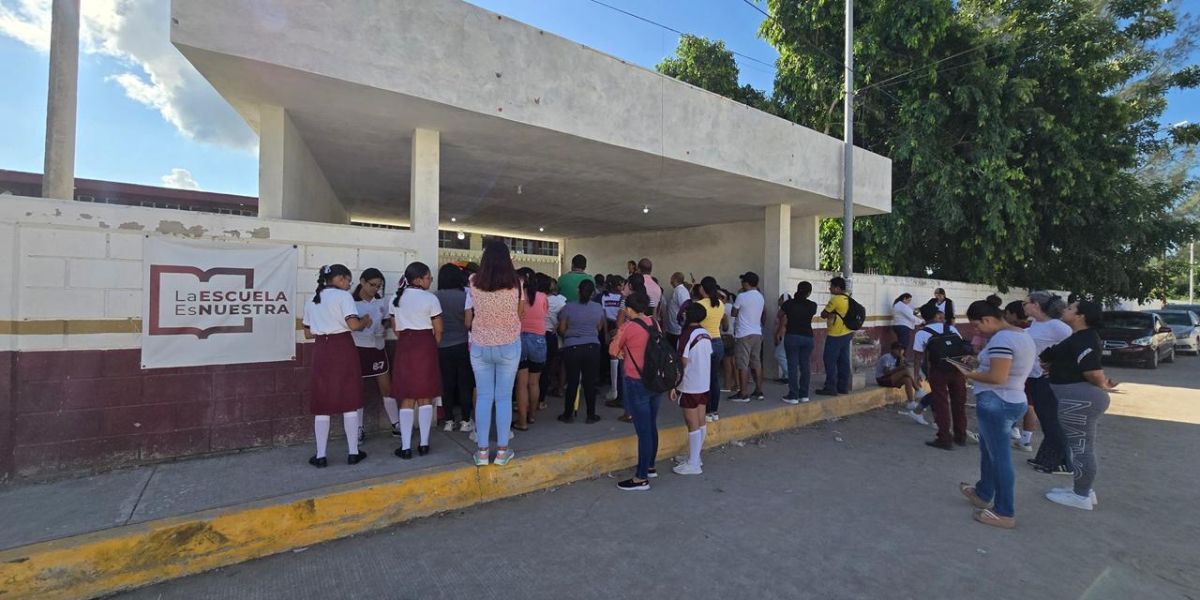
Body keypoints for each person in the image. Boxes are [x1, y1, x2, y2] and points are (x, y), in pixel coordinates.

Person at [950, 300, 1036, 529]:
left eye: (977, 326)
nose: (976, 331)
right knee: (989, 452)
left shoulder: (1002, 339)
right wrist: (979, 363)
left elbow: (998, 377)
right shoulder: (1019, 334)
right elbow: (1005, 367)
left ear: (988, 320)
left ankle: (1004, 512)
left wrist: (969, 373)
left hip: (998, 401)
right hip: (1011, 398)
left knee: (999, 458)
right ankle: (983, 492)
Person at [1041, 300, 1115, 510]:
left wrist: (1102, 384)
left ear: (1081, 316)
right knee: (1080, 447)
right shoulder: (1079, 337)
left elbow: (1092, 371)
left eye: (1071, 308)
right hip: (1076, 397)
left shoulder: (1086, 338)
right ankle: (1082, 489)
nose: (1065, 310)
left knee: (1081, 448)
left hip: (1079, 400)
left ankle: (1081, 495)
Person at [303, 264, 373, 467]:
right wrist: (364, 321)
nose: (349, 284)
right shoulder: (344, 297)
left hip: (321, 350)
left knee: (322, 402)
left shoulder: (311, 299)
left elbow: (307, 333)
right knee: (349, 398)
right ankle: (353, 452)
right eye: (348, 280)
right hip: (342, 347)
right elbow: (352, 325)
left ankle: (321, 455)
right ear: (340, 279)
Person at [468, 239, 524, 466]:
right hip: (509, 344)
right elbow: (520, 314)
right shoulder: (517, 283)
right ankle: (502, 452)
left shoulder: (472, 281)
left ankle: (482, 453)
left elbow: (472, 310)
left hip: (480, 345)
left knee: (483, 397)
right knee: (503, 398)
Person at [390, 262, 443, 459]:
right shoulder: (430, 299)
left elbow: (396, 330)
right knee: (425, 395)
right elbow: (439, 329)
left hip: (405, 346)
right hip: (425, 346)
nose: (431, 280)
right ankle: (424, 443)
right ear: (419, 279)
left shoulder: (396, 299)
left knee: (407, 396)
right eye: (429, 277)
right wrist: (431, 346)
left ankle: (405, 447)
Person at [609, 291, 661, 491]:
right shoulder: (654, 323)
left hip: (636, 381)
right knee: (651, 425)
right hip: (655, 381)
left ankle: (641, 478)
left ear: (629, 309)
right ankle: (650, 466)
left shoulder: (628, 327)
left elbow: (613, 350)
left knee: (643, 430)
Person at [1022, 292, 1073, 473]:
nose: (1024, 305)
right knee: (1046, 419)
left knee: (1051, 420)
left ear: (1036, 305)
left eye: (1026, 302)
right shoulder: (1037, 323)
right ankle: (1045, 458)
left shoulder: (1057, 326)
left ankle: (1064, 462)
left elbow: (1072, 349)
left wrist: (1054, 366)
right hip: (1033, 377)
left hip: (1047, 380)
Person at [914, 305, 968, 449]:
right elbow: (961, 346)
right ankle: (960, 436)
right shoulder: (951, 328)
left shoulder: (922, 333)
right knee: (959, 403)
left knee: (941, 404)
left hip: (938, 370)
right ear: (937, 315)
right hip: (957, 369)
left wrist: (916, 374)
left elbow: (918, 356)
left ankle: (944, 438)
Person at [351, 268, 396, 440]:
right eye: (372, 285)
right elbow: (351, 325)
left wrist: (383, 329)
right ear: (362, 282)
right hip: (357, 347)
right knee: (357, 390)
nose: (375, 289)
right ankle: (358, 429)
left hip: (377, 347)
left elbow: (385, 319)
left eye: (378, 286)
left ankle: (396, 425)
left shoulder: (381, 301)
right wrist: (363, 323)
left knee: (386, 387)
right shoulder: (351, 302)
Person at [557, 279, 607, 423]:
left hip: (572, 347)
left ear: (578, 291)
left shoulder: (568, 307)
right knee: (589, 382)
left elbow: (561, 329)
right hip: (592, 347)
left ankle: (568, 414)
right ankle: (591, 415)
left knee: (572, 381)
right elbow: (598, 327)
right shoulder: (598, 308)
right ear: (592, 293)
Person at [672, 302, 712, 475]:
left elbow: (683, 361)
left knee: (692, 422)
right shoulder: (705, 333)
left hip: (689, 384)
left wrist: (674, 384)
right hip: (703, 382)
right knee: (701, 419)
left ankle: (694, 463)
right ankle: (696, 456)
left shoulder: (686, 335)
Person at [435, 263, 474, 433]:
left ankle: (449, 421)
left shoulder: (434, 297)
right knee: (464, 384)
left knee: (447, 384)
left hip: (442, 346)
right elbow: (468, 323)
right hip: (462, 345)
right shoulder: (465, 295)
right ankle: (466, 421)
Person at [515, 267, 548, 430]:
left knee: (521, 384)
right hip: (538, 341)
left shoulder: (516, 297)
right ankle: (532, 416)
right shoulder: (542, 297)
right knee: (534, 383)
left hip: (519, 339)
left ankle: (522, 422)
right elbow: (544, 313)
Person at [776, 281, 817, 404]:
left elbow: (779, 314)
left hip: (792, 336)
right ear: (809, 293)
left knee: (792, 366)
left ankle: (793, 395)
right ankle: (804, 394)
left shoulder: (789, 304)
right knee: (805, 366)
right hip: (808, 337)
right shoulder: (812, 305)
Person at [730, 272, 766, 402]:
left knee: (742, 364)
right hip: (757, 333)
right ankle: (759, 390)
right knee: (756, 363)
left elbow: (734, 313)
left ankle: (743, 393)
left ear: (746, 283)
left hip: (743, 334)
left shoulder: (742, 296)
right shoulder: (760, 297)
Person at [816, 276, 853, 396]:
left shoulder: (835, 300)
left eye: (831, 286)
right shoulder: (848, 299)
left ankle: (830, 386)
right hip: (847, 333)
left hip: (835, 334)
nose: (829, 288)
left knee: (829, 360)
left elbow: (823, 314)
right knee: (843, 361)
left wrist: (829, 312)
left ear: (837, 288)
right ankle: (843, 386)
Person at [698, 277, 728, 422]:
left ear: (702, 288)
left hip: (703, 343)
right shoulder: (721, 304)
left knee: (703, 379)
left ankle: (706, 409)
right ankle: (714, 411)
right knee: (714, 378)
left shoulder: (699, 305)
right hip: (717, 342)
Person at [539, 274, 566, 409]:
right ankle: (541, 399)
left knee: (533, 370)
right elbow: (565, 317)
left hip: (535, 335)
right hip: (551, 336)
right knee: (548, 368)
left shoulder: (532, 298)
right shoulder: (560, 301)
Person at [663, 272, 690, 348]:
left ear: (674, 279)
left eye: (671, 278)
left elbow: (685, 308)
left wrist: (683, 324)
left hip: (677, 329)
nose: (670, 280)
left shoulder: (681, 291)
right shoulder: (678, 290)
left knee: (674, 350)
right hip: (673, 327)